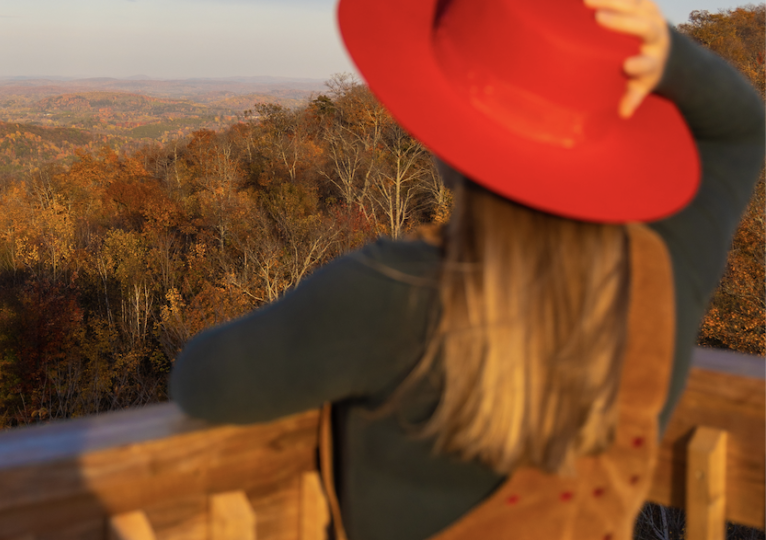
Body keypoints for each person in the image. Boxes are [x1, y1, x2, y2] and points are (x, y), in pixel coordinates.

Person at [169, 0, 765, 538]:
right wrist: (664, 50)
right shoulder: (666, 268)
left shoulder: (394, 290)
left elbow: (206, 381)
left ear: (450, 142)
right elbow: (742, 131)